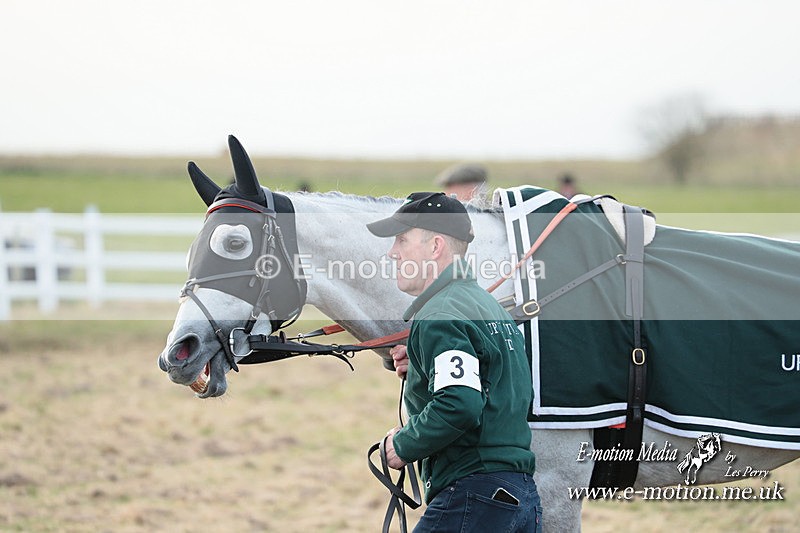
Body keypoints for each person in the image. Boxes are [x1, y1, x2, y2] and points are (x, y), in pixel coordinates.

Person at [367, 192, 542, 532]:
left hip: (475, 494)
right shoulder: (486, 306)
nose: (392, 252)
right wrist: (421, 363)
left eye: (403, 240)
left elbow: (459, 402)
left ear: (435, 247)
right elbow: (486, 383)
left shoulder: (440, 313)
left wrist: (401, 446)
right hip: (518, 497)